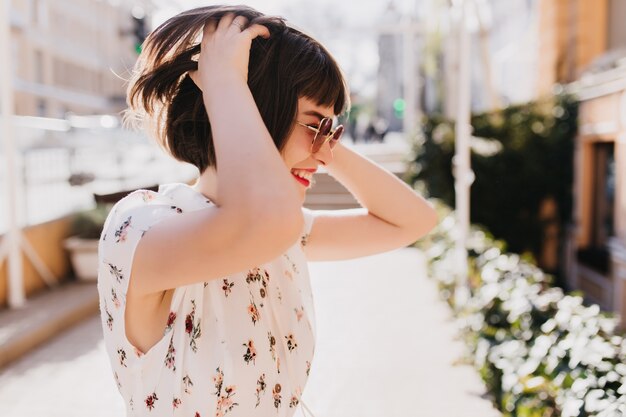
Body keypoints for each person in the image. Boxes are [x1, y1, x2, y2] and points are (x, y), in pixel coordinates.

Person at [97, 5, 438, 417]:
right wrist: (225, 84)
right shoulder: (141, 229)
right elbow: (266, 221)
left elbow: (413, 221)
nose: (323, 150)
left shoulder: (281, 231)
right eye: (314, 125)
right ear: (248, 110)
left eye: (330, 129)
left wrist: (323, 140)